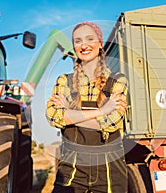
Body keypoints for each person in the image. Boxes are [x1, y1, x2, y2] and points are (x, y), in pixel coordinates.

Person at [46, 21, 128, 193]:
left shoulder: (117, 81)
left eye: (89, 39)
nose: (83, 45)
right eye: (78, 41)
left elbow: (111, 123)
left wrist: (70, 114)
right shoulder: (64, 81)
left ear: (100, 44)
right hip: (72, 168)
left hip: (109, 170)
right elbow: (53, 117)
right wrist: (101, 111)